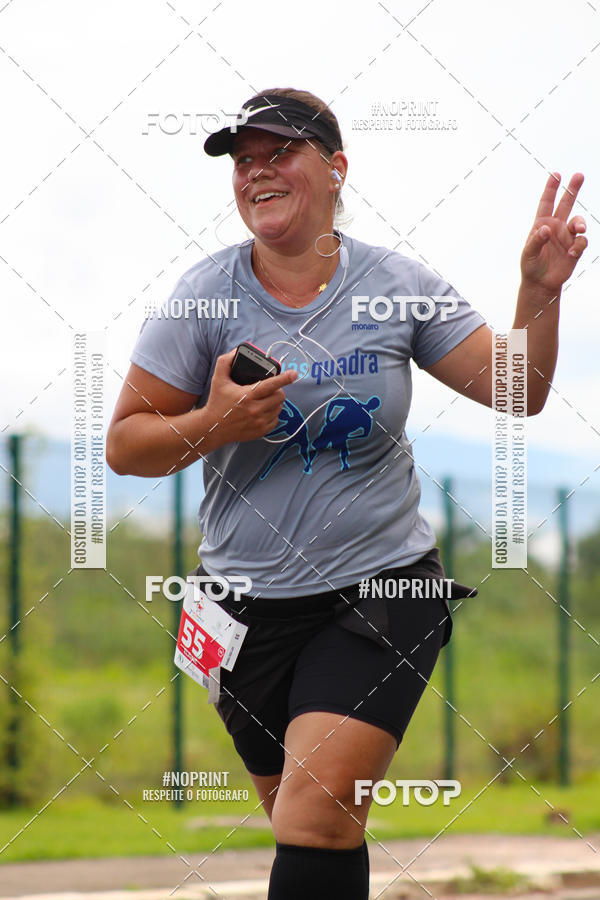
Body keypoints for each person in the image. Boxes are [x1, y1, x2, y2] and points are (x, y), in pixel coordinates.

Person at [106, 88, 587, 899]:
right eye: (243, 161)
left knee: (318, 811)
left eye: (279, 153)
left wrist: (538, 293)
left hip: (381, 588)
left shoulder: (396, 284)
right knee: (314, 822)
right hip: (240, 609)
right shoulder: (203, 297)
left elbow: (518, 389)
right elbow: (124, 447)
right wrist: (215, 423)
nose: (257, 172)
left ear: (335, 169)